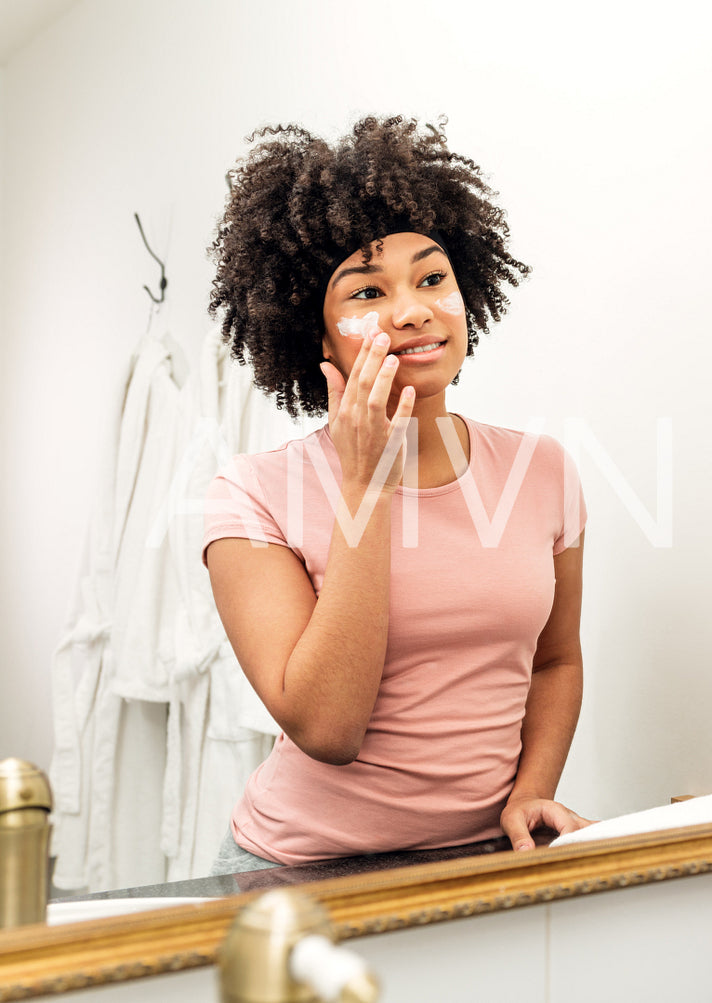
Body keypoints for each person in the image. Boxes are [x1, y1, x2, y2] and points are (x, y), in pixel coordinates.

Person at [201, 116, 591, 871]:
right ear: (314, 335)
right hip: (295, 870)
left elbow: (556, 662)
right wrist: (366, 481)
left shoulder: (542, 471)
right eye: (369, 290)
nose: (412, 309)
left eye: (432, 278)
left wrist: (530, 790)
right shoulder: (251, 494)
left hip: (479, 858)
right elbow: (328, 727)